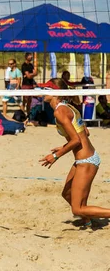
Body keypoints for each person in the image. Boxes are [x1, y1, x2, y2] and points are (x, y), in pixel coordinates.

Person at [39, 78, 110, 228]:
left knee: (77, 208)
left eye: (45, 89)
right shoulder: (69, 107)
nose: (41, 92)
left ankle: (88, 217)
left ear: (55, 93)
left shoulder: (60, 111)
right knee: (66, 194)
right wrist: (65, 145)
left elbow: (77, 140)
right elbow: (85, 133)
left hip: (87, 160)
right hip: (84, 159)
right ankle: (88, 221)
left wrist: (56, 156)